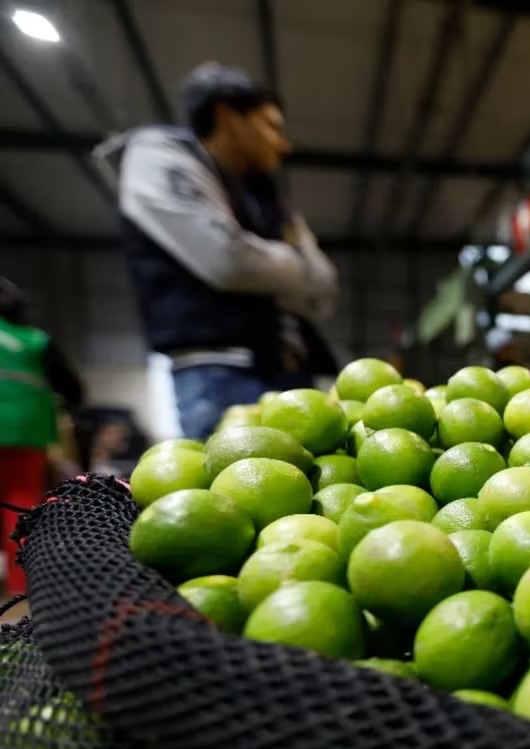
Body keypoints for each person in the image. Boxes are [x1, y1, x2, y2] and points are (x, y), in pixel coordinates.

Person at [100, 63, 337, 439]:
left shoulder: (264, 195)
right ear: (227, 116)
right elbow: (227, 261)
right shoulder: (160, 159)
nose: (283, 144)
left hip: (287, 368)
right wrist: (296, 263)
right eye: (271, 126)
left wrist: (274, 263)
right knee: (232, 472)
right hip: (219, 373)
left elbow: (324, 289)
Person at [0, 278, 84, 596]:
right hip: (26, 432)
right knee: (20, 505)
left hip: (25, 433)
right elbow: (73, 390)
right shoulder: (35, 340)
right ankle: (22, 588)